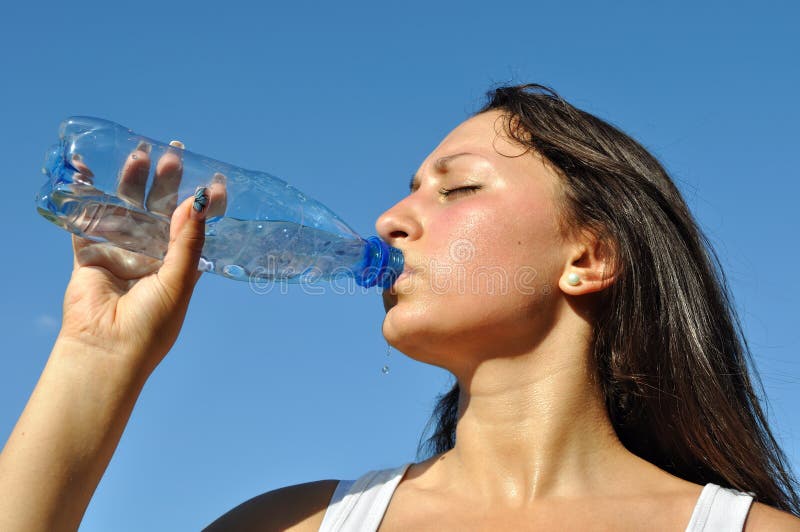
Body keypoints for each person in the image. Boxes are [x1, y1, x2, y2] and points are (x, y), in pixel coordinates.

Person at [0, 85, 798, 531]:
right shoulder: (296, 524)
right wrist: (97, 354)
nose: (390, 218)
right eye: (412, 188)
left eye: (458, 187)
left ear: (587, 258)